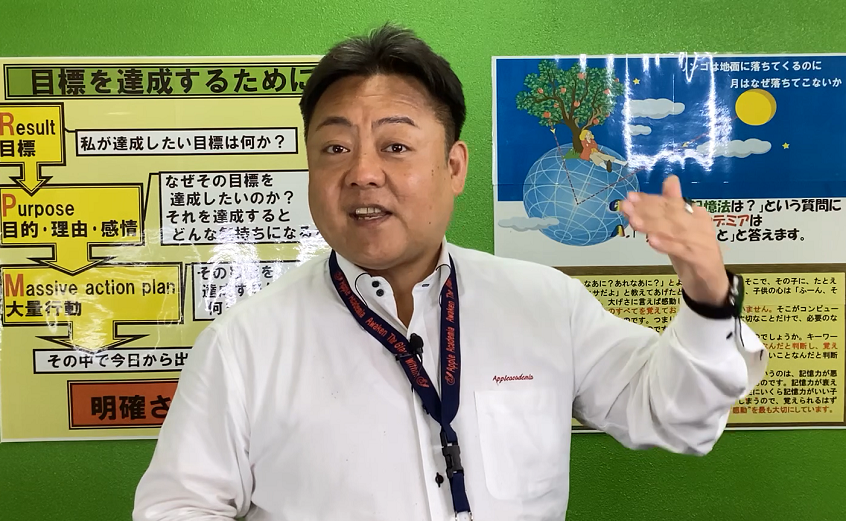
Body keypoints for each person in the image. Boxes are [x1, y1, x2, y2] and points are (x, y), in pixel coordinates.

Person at [133, 23, 767, 521]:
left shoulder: (546, 304)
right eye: (335, 148)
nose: (363, 173)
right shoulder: (244, 344)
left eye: (395, 146)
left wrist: (708, 295)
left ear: (455, 167)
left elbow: (673, 416)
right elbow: (176, 508)